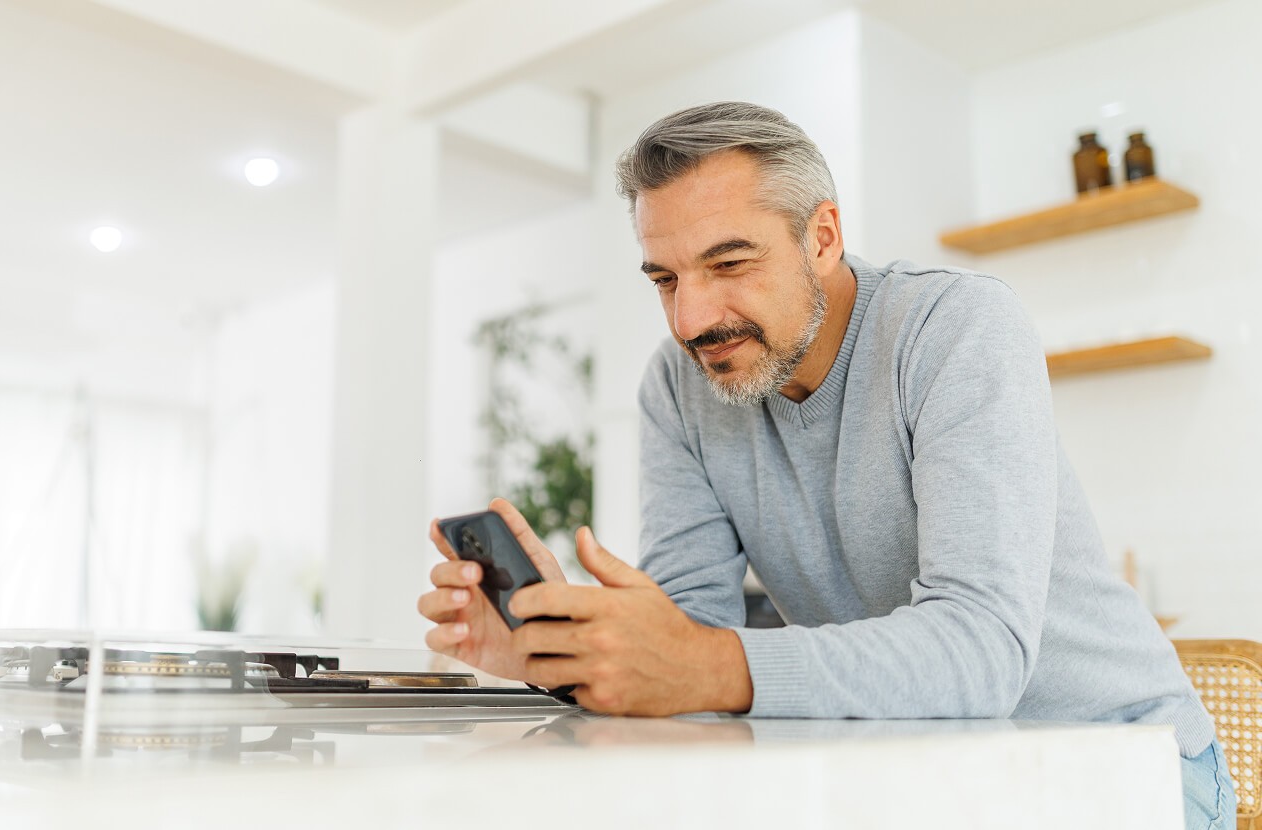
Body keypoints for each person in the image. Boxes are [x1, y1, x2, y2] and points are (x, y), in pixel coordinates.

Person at [416, 101, 1234, 828]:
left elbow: (982, 652)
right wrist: (562, 653)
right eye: (665, 278)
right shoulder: (678, 385)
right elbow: (689, 645)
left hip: (1123, 768)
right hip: (924, 769)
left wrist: (701, 665)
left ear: (822, 237)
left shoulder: (955, 329)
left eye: (729, 264)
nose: (692, 317)